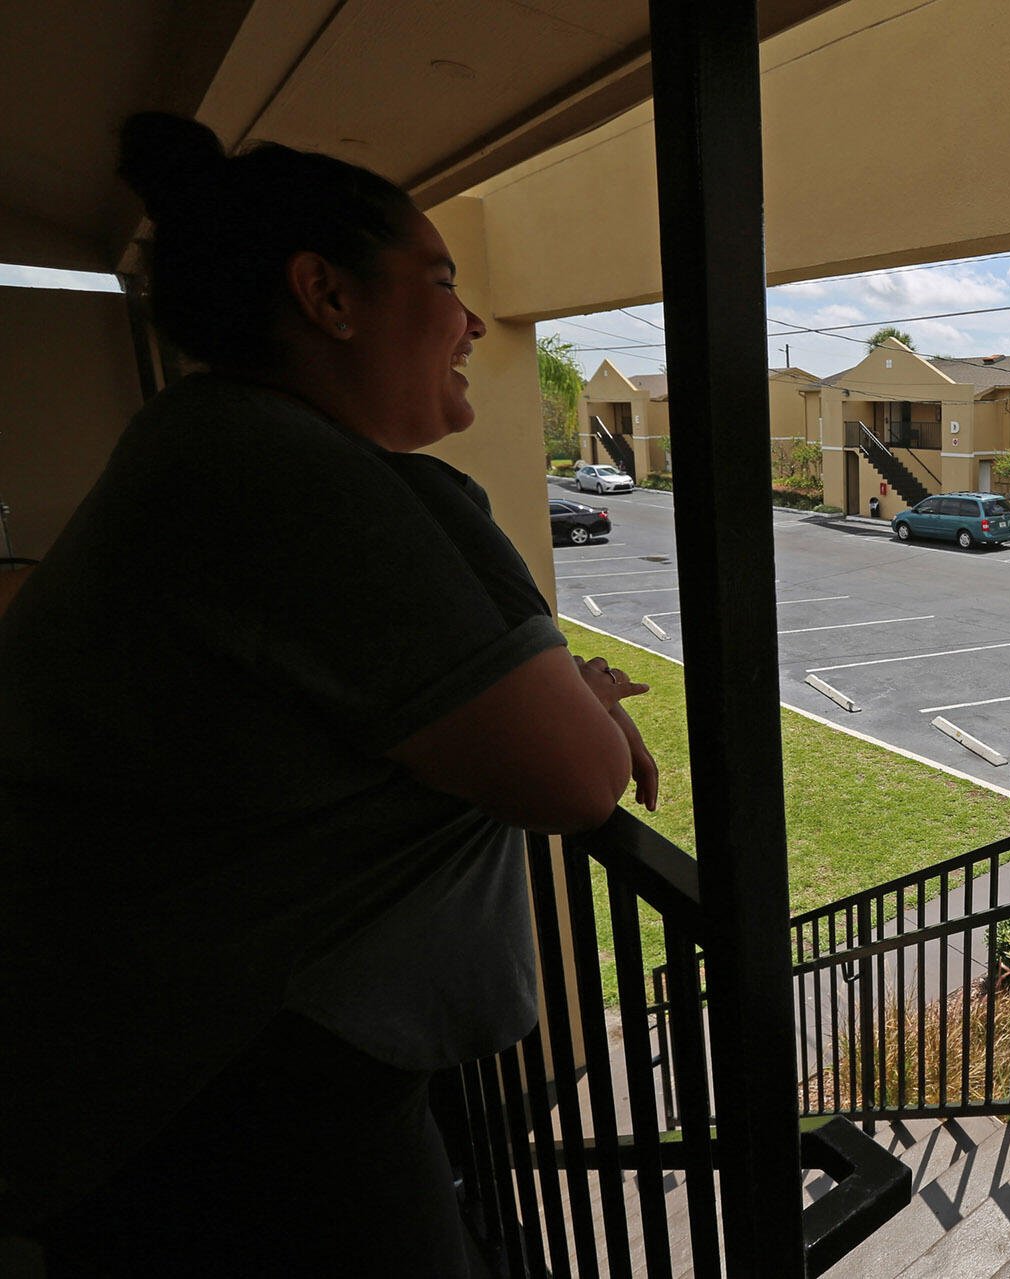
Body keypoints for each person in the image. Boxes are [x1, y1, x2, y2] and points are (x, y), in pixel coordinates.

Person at [0, 113, 660, 1276]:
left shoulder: (198, 442)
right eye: (441, 283)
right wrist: (577, 707)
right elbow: (575, 779)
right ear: (327, 295)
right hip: (229, 1094)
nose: (466, 322)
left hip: (145, 1066)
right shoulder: (298, 478)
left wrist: (538, 693)